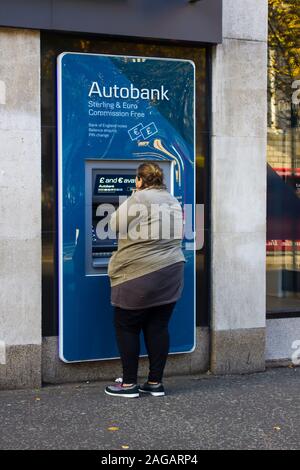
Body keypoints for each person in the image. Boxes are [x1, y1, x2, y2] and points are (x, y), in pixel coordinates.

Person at [105, 162, 185, 398]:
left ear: (140, 180)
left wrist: (134, 196)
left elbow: (113, 225)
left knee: (126, 325)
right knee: (157, 326)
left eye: (136, 180)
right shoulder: (172, 199)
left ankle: (129, 384)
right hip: (171, 270)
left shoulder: (139, 198)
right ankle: (154, 383)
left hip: (139, 272)